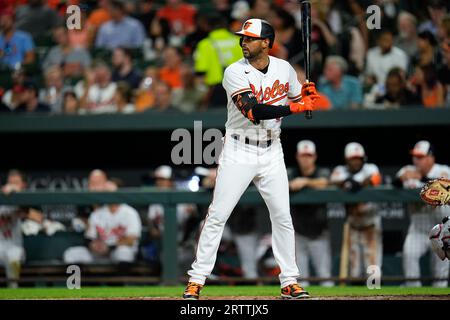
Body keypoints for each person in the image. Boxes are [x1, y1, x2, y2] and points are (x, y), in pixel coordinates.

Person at [183, 18, 319, 300]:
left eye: (249, 38)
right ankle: (196, 280)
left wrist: (307, 95)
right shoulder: (234, 71)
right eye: (242, 38)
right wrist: (297, 106)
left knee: (282, 216)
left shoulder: (283, 68)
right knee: (218, 215)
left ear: (266, 43)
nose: (243, 42)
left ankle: (289, 281)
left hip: (272, 149)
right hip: (238, 149)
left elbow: (298, 97)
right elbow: (253, 111)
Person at [394, 140, 450, 287]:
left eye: (420, 157)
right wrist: (403, 177)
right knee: (409, 255)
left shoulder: (443, 170)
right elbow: (396, 181)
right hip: (418, 230)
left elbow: (445, 182)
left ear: (431, 158)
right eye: (415, 156)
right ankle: (414, 293)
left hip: (441, 230)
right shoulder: (407, 169)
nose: (416, 160)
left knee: (440, 273)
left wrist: (422, 179)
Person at [330, 142, 383, 280]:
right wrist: (347, 182)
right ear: (347, 159)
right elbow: (333, 180)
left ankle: (374, 295)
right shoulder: (340, 170)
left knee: (373, 269)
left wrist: (357, 184)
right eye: (353, 158)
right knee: (354, 269)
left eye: (358, 158)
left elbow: (376, 179)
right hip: (353, 225)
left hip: (371, 223)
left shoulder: (370, 168)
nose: (356, 161)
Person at [63, 180, 142, 266]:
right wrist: (92, 245)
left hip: (117, 250)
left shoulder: (130, 212)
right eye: (105, 193)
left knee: (123, 253)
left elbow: (131, 239)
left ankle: (121, 279)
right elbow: (89, 237)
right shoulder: (97, 213)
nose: (108, 195)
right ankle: (82, 279)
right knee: (71, 254)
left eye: (110, 193)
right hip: (99, 252)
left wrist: (110, 247)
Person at [289, 140, 333, 287]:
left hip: (319, 233)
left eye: (309, 155)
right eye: (303, 155)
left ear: (314, 157)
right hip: (298, 232)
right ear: (297, 156)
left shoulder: (322, 172)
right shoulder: (291, 173)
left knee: (325, 277)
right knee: (301, 280)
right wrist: (292, 183)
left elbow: (326, 182)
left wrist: (305, 182)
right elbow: (282, 182)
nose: (306, 159)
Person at [0, 169, 27, 288]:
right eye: (10, 182)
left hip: (15, 246)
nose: (12, 186)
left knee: (13, 256)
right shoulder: (1, 199)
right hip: (0, 244)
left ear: (22, 185)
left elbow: (38, 217)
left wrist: (19, 196)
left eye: (16, 183)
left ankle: (13, 289)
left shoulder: (26, 200)